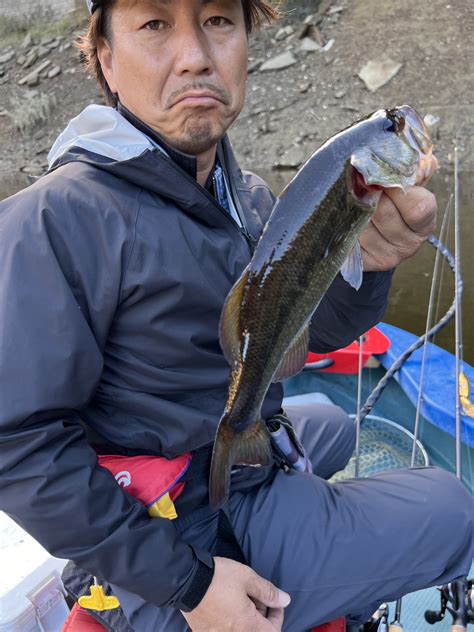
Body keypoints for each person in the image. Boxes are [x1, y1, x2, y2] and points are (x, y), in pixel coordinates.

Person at [0, 1, 471, 630]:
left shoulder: (245, 197)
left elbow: (314, 334)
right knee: (453, 510)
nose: (195, 56)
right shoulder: (52, 222)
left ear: (246, 44)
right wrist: (190, 584)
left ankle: (262, 482)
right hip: (169, 530)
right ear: (107, 62)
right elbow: (17, 444)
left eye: (219, 20)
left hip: (215, 450)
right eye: (154, 24)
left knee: (336, 423)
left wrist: (373, 264)